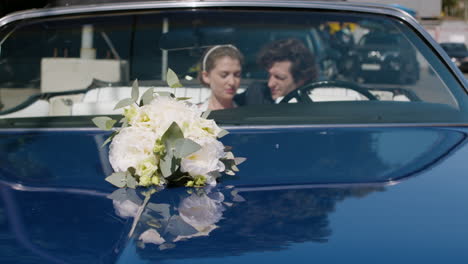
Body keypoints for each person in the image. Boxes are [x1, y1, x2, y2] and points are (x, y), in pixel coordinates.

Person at [234, 38, 317, 105]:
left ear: (301, 80)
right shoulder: (257, 93)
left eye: (279, 77)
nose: (270, 84)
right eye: (269, 75)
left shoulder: (315, 106)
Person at [198, 45, 244, 110]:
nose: (232, 82)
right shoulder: (192, 116)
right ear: (206, 76)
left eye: (237, 75)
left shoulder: (246, 115)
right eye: (224, 75)